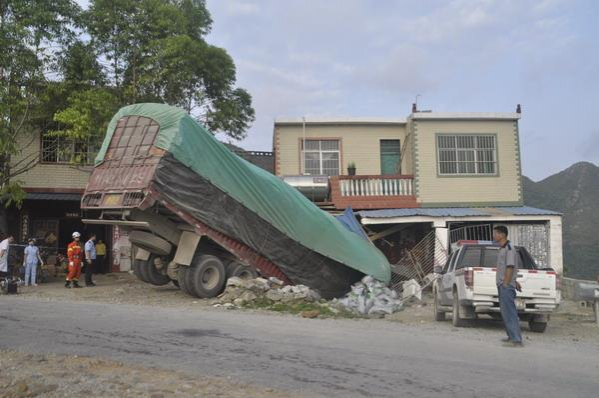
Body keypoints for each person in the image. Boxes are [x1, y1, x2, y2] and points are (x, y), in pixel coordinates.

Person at [493, 225, 523, 347]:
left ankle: (516, 339)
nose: (494, 236)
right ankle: (511, 336)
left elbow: (510, 266)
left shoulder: (509, 248)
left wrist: (506, 283)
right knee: (505, 312)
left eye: (495, 233)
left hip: (505, 285)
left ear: (502, 235)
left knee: (510, 312)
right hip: (503, 283)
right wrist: (513, 281)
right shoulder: (502, 248)